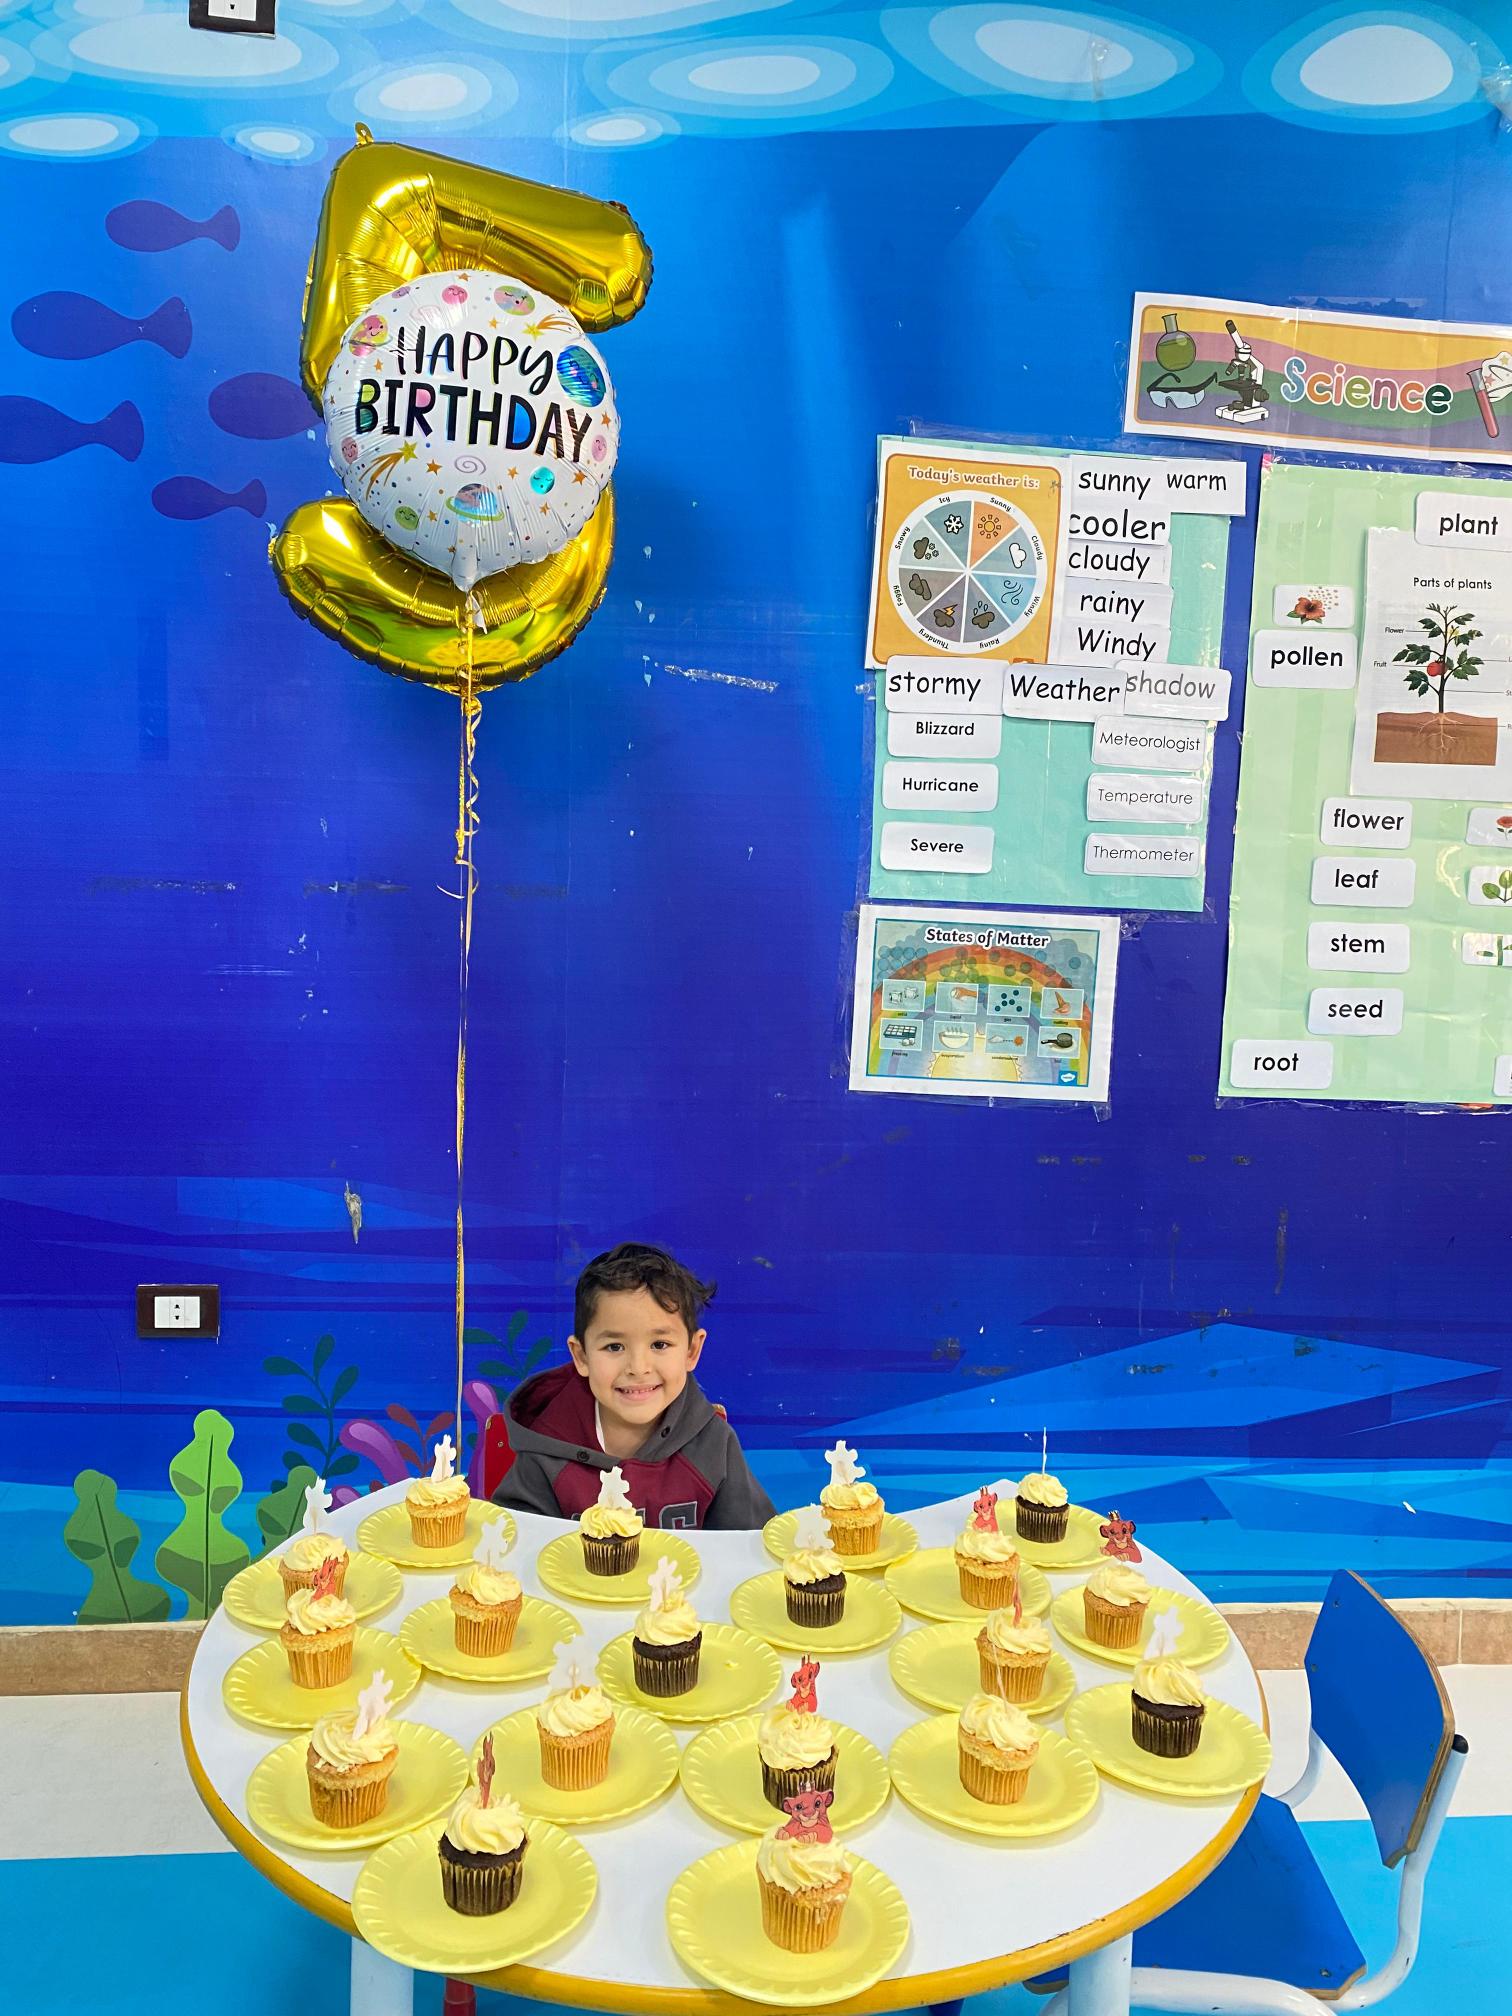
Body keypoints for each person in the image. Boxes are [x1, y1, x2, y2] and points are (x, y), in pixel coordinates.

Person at [492, 1242, 776, 1530]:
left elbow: (751, 1543)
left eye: (659, 1344)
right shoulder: (546, 1448)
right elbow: (514, 1547)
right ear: (582, 1356)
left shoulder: (714, 1444)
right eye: (614, 1346)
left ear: (691, 1351)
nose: (638, 1368)